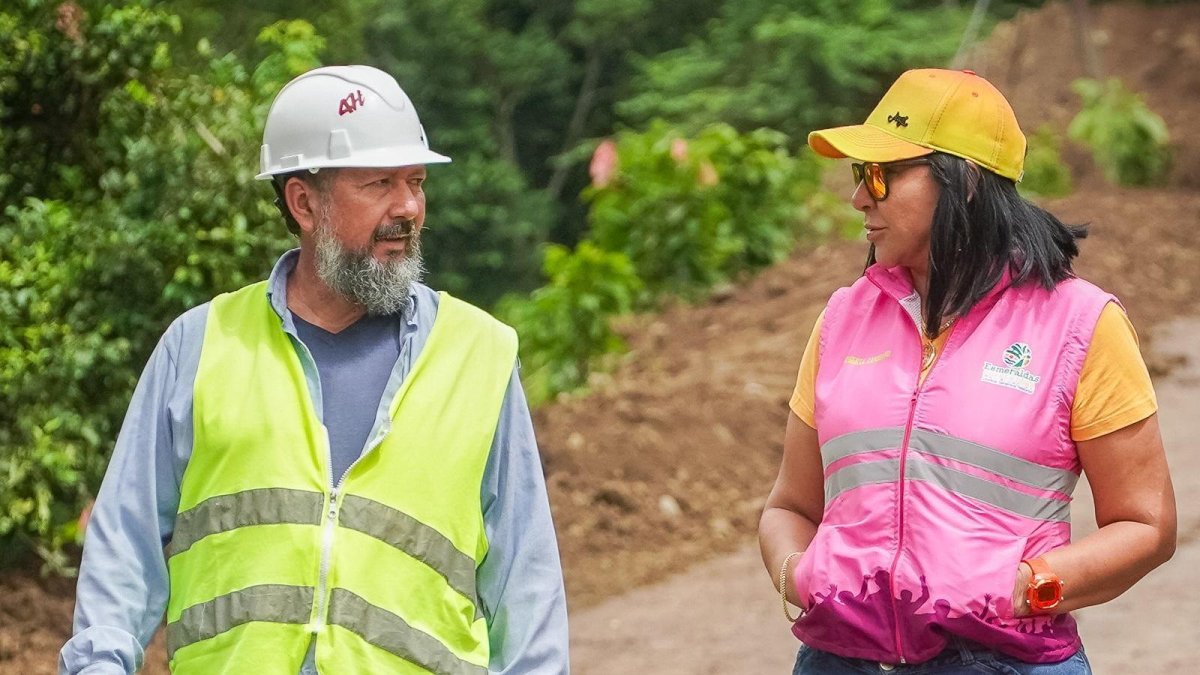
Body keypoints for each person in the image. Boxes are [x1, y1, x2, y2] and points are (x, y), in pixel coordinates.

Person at [59, 65, 569, 675]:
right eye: (379, 183)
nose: (408, 207)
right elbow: (123, 549)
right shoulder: (200, 345)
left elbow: (526, 588)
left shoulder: (478, 354)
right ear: (304, 202)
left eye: (416, 182)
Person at [758, 68, 1176, 674]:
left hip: (1003, 663)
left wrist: (1023, 591)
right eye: (858, 175)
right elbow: (790, 507)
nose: (860, 198)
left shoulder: (1081, 324)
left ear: (967, 181)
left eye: (880, 175)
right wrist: (800, 577)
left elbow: (1146, 524)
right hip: (838, 660)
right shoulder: (842, 318)